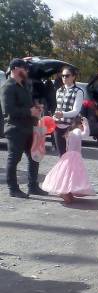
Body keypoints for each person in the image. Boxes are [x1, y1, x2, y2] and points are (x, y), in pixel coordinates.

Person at [0, 58, 46, 198]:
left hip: (29, 127)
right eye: (23, 68)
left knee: (34, 157)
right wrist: (29, 111)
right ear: (14, 69)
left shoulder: (24, 86)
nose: (26, 71)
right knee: (14, 159)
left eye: (26, 69)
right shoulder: (7, 87)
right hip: (15, 129)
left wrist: (36, 108)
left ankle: (33, 186)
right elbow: (7, 110)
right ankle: (13, 188)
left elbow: (27, 105)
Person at [42, 116, 95, 203]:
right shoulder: (77, 131)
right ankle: (64, 192)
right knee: (71, 175)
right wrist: (86, 124)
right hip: (74, 156)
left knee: (68, 175)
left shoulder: (70, 132)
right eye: (82, 125)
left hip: (69, 155)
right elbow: (86, 134)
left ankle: (67, 192)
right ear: (79, 125)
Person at [53, 66, 84, 156]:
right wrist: (54, 116)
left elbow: (76, 111)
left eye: (67, 75)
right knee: (61, 155)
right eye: (62, 76)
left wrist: (62, 114)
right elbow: (57, 108)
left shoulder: (78, 91)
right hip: (57, 127)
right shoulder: (59, 91)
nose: (64, 78)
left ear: (73, 77)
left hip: (71, 128)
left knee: (70, 155)